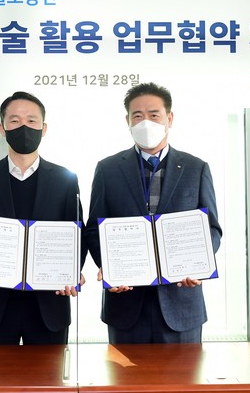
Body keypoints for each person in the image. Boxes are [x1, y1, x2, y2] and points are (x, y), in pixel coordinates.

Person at [85, 82, 222, 344]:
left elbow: (212, 228)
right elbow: (94, 229)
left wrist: (199, 264)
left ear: (169, 118)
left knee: (184, 372)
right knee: (124, 372)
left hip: (181, 303)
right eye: (137, 116)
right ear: (127, 121)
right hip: (125, 304)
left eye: (154, 115)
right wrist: (111, 268)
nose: (145, 122)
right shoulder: (108, 169)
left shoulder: (196, 168)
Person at [0, 91, 84, 345]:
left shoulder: (66, 180)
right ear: (2, 129)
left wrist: (72, 272)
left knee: (51, 372)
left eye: (31, 120)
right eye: (14, 121)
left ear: (43, 128)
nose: (23, 127)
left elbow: (76, 237)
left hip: (50, 306)